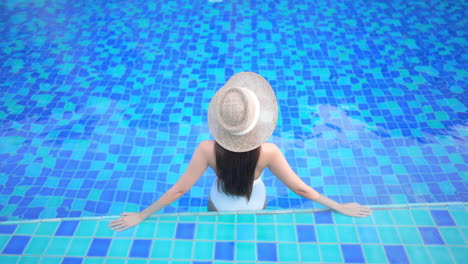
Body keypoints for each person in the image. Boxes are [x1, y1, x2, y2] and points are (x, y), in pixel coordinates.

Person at [109, 72, 372, 232]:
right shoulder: (269, 152)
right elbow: (301, 189)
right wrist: (338, 206)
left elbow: (179, 190)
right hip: (255, 204)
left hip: (219, 206)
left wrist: (141, 215)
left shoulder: (206, 149)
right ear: (257, 123)